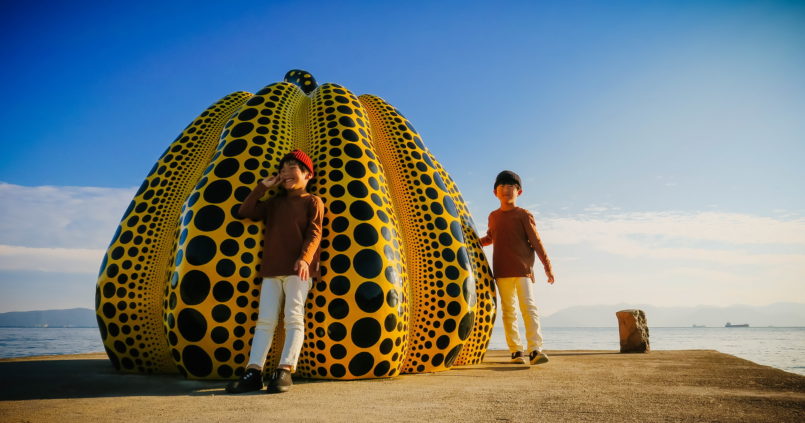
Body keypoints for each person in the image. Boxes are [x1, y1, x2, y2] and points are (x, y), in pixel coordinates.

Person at [226, 149, 324, 394]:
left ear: (307, 175)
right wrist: (262, 187)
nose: (286, 174)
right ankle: (254, 371)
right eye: (283, 171)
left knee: (293, 318)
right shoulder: (274, 204)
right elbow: (245, 211)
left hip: (298, 270)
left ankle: (285, 369)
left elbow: (315, 233)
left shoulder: (312, 201)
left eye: (292, 170)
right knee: (265, 322)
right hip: (271, 269)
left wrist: (304, 259)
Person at [480, 170, 555, 365]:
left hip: (523, 270)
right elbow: (490, 237)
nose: (506, 189)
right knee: (508, 312)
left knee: (529, 308)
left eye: (510, 186)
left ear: (519, 192)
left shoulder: (523, 215)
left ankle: (535, 350)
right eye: (501, 186)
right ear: (495, 192)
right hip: (502, 271)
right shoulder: (493, 216)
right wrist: (473, 240)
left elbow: (536, 242)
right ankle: (516, 351)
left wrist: (547, 266)